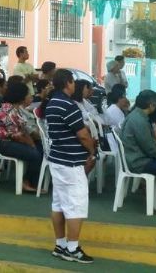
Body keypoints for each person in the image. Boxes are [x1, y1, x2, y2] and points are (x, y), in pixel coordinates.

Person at [45, 69, 96, 263]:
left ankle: (60, 244)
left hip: (57, 159)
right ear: (67, 82)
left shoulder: (52, 103)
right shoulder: (68, 105)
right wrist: (92, 151)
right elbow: (83, 135)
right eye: (73, 82)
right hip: (71, 162)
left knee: (59, 204)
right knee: (75, 205)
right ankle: (73, 249)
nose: (75, 85)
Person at [0, 81, 44, 193]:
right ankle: (27, 183)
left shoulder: (15, 109)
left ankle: (31, 181)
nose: (29, 96)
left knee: (39, 148)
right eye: (27, 94)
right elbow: (18, 135)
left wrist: (31, 142)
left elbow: (23, 131)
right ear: (20, 96)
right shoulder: (9, 111)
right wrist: (31, 144)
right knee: (35, 154)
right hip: (5, 143)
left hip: (12, 140)